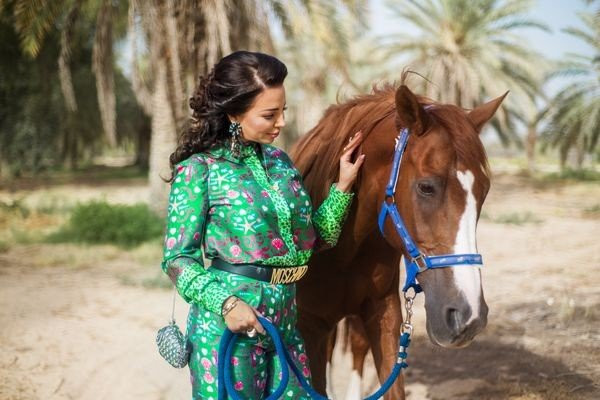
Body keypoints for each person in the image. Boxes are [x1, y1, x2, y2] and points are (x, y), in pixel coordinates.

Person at [160, 50, 365, 399]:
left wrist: (343, 187)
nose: (281, 122)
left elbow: (315, 240)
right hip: (227, 329)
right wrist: (227, 304)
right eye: (269, 114)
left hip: (286, 323)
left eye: (283, 111)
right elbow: (177, 260)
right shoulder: (200, 169)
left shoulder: (281, 163)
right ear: (233, 114)